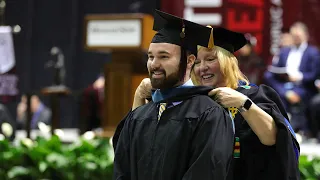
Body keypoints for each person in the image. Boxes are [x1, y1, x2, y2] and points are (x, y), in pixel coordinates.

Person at [132, 27, 300, 179]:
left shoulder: (254, 95)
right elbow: (142, 141)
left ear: (227, 61)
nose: (202, 67)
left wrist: (243, 104)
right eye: (196, 62)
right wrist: (139, 97)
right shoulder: (190, 101)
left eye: (210, 59)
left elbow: (274, 140)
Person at [113, 10, 235, 180]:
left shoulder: (209, 114)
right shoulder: (139, 116)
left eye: (164, 57)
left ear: (190, 61)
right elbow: (122, 171)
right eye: (150, 57)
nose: (154, 64)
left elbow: (207, 172)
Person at [264, 22, 320, 135]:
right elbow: (272, 72)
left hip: (304, 86)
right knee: (273, 95)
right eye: (294, 36)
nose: (296, 38)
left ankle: (297, 130)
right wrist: (285, 91)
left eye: (298, 36)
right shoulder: (284, 51)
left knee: (297, 96)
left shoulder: (313, 52)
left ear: (306, 35)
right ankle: (276, 130)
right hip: (285, 86)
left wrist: (299, 76)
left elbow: (314, 74)